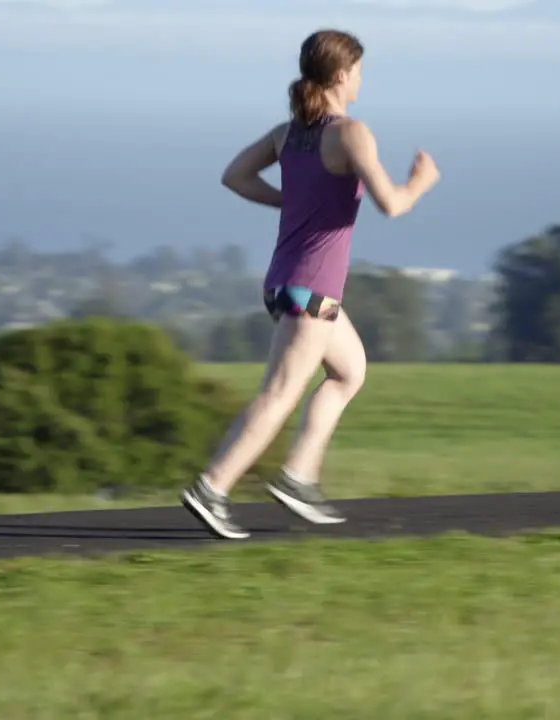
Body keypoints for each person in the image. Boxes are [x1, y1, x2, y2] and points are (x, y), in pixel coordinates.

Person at [181, 29, 441, 539]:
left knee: (350, 372)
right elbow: (392, 203)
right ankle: (212, 488)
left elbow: (235, 176)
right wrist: (422, 181)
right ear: (342, 75)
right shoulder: (350, 134)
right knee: (280, 393)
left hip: (284, 282)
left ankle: (298, 476)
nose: (363, 79)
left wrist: (289, 201)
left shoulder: (287, 134)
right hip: (313, 289)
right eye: (360, 70)